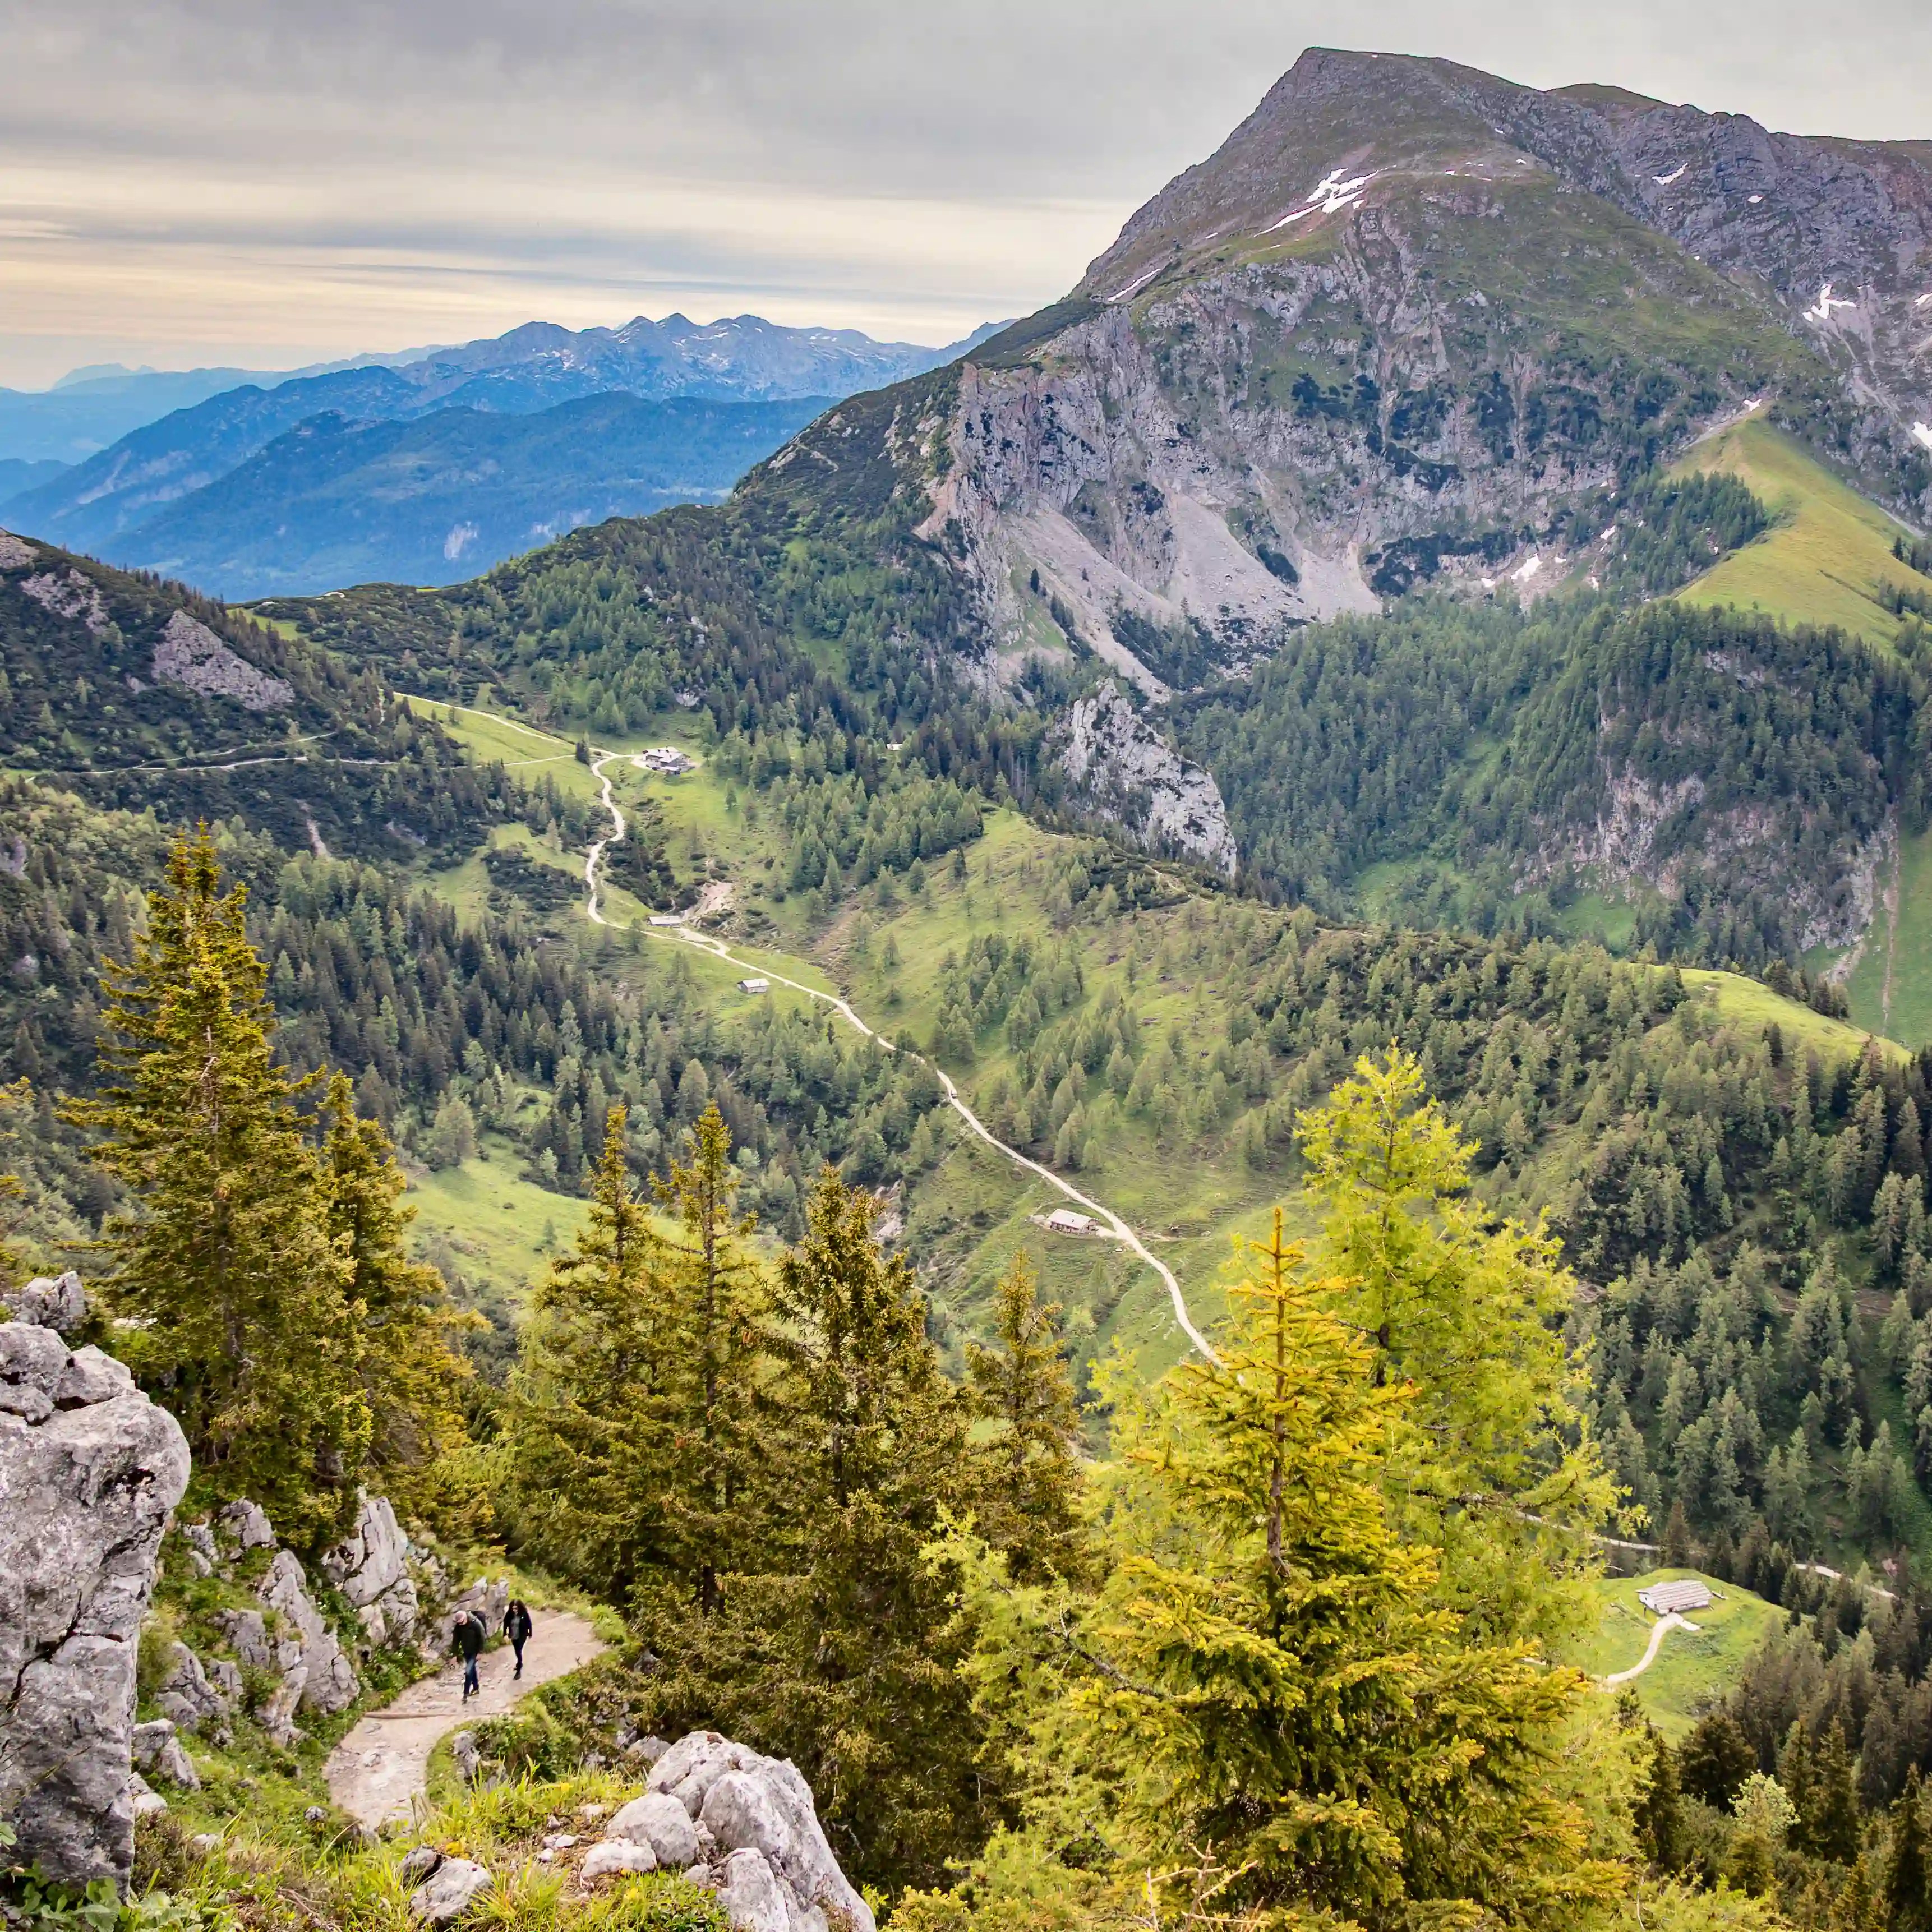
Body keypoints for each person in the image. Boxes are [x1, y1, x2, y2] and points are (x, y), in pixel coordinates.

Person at [452, 1607, 484, 1700]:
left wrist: (480, 1652)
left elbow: (482, 1638)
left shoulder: (476, 1624)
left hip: (475, 1651)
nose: (460, 1624)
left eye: (461, 1622)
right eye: (458, 1623)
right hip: (466, 1651)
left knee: (468, 1671)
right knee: (472, 1670)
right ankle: (476, 1688)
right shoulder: (459, 1627)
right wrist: (454, 1654)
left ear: (465, 1617)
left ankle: (465, 1694)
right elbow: (456, 1641)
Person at [504, 1599, 533, 1680]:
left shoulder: (524, 1614)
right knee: (516, 1650)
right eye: (513, 1608)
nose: (514, 1610)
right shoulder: (510, 1614)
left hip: (522, 1635)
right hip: (513, 1635)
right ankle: (519, 1662)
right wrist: (505, 1634)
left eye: (516, 1608)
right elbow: (505, 1623)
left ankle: (519, 1670)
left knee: (519, 1651)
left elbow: (529, 1623)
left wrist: (530, 1632)